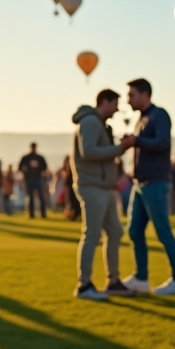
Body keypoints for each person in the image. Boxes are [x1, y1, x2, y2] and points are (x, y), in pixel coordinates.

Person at [120, 79, 175, 296]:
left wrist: (137, 141)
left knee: (163, 232)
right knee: (134, 231)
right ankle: (141, 277)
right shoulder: (141, 119)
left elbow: (162, 143)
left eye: (132, 94)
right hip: (140, 183)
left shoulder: (159, 115)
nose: (128, 99)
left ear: (144, 94)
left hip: (155, 182)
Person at [70, 91, 134, 299]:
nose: (116, 110)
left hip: (103, 187)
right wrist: (119, 148)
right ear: (105, 102)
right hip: (92, 186)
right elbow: (88, 151)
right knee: (92, 235)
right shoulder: (90, 122)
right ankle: (84, 285)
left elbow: (98, 150)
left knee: (115, 232)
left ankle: (113, 281)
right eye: (115, 104)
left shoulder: (96, 123)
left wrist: (118, 148)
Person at [18, 143, 48, 218]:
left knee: (41, 196)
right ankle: (31, 214)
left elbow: (44, 167)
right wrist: (28, 167)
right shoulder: (26, 158)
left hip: (38, 179)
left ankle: (43, 214)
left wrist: (38, 166)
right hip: (29, 179)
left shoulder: (40, 158)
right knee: (30, 197)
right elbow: (20, 167)